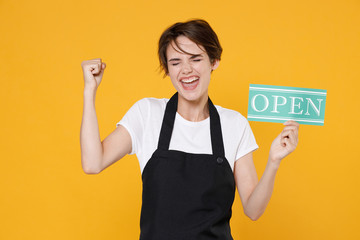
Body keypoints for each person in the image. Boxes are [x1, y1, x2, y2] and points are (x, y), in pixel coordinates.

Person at [80, 19, 299, 240]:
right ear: (167, 69)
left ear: (214, 61)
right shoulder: (147, 114)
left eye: (195, 59)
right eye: (175, 62)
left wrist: (274, 161)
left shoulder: (234, 124)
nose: (186, 70)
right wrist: (90, 90)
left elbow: (253, 210)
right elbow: (92, 163)